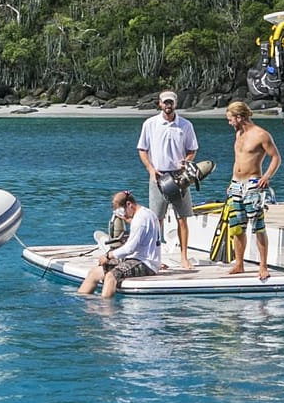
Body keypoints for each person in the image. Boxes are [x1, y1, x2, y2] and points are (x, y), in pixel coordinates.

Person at [221, 100, 281, 280]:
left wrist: (266, 177)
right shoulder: (238, 133)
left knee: (258, 226)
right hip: (236, 184)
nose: (229, 122)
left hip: (252, 184)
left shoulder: (261, 134)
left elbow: (275, 157)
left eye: (230, 119)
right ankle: (239, 263)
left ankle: (263, 266)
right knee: (237, 227)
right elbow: (238, 159)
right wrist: (231, 182)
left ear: (239, 117)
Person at [137, 89, 198, 261]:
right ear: (160, 103)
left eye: (171, 102)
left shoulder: (185, 125)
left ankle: (184, 257)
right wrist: (150, 168)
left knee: (182, 218)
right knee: (157, 219)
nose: (168, 105)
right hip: (158, 176)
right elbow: (142, 149)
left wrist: (185, 162)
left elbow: (192, 149)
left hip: (180, 177)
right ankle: (156, 257)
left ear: (175, 104)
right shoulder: (150, 124)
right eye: (165, 102)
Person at [78, 191, 164, 298]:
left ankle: (105, 309)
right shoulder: (145, 213)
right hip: (135, 258)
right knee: (94, 273)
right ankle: (80, 300)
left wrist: (108, 255)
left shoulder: (140, 220)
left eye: (123, 212)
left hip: (146, 263)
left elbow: (130, 248)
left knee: (110, 276)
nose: (124, 215)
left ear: (129, 204)